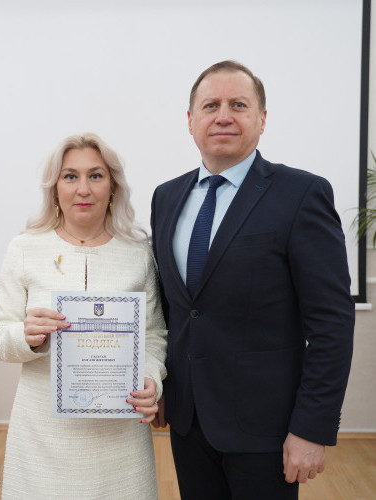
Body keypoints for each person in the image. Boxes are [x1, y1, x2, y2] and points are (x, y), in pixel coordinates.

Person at [150, 60, 354, 499]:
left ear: (261, 119)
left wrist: (311, 427)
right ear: (190, 120)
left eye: (238, 105)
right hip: (188, 422)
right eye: (211, 106)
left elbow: (331, 323)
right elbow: (174, 308)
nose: (223, 116)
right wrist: (163, 383)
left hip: (267, 430)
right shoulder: (166, 197)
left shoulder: (302, 194)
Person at [0, 133, 167, 499]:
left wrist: (151, 379)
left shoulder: (139, 254)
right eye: (70, 176)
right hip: (42, 435)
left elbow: (154, 336)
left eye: (95, 176)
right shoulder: (24, 249)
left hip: (120, 439)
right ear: (55, 188)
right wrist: (26, 335)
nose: (83, 188)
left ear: (113, 187)